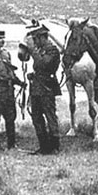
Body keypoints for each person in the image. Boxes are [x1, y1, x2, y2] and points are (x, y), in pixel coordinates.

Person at [24, 24, 62, 154]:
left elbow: (44, 64)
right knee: (37, 117)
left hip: (47, 87)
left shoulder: (52, 50)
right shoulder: (40, 50)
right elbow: (39, 67)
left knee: (50, 116)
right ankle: (44, 146)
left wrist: (32, 49)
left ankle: (54, 146)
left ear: (42, 38)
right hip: (37, 87)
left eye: (36, 39)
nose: (34, 41)